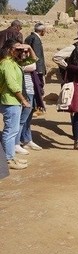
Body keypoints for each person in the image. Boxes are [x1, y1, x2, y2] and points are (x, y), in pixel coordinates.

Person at [0, 40, 32, 169]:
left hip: (13, 100)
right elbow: (12, 84)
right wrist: (23, 100)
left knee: (13, 130)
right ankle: (8, 160)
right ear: (9, 49)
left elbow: (33, 60)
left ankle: (11, 157)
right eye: (18, 49)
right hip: (10, 101)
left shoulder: (13, 62)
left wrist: (28, 47)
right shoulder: (7, 63)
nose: (21, 52)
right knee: (10, 131)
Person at [15, 43, 39, 154]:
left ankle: (27, 139)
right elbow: (34, 65)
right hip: (24, 93)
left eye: (26, 51)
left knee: (28, 119)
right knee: (21, 120)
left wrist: (29, 47)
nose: (24, 53)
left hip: (31, 92)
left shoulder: (24, 61)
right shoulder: (17, 63)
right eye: (22, 51)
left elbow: (34, 59)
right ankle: (16, 143)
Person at [24, 22, 47, 115]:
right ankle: (37, 108)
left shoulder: (29, 37)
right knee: (38, 88)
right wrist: (40, 70)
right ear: (42, 31)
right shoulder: (36, 39)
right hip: (36, 68)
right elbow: (37, 56)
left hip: (30, 67)